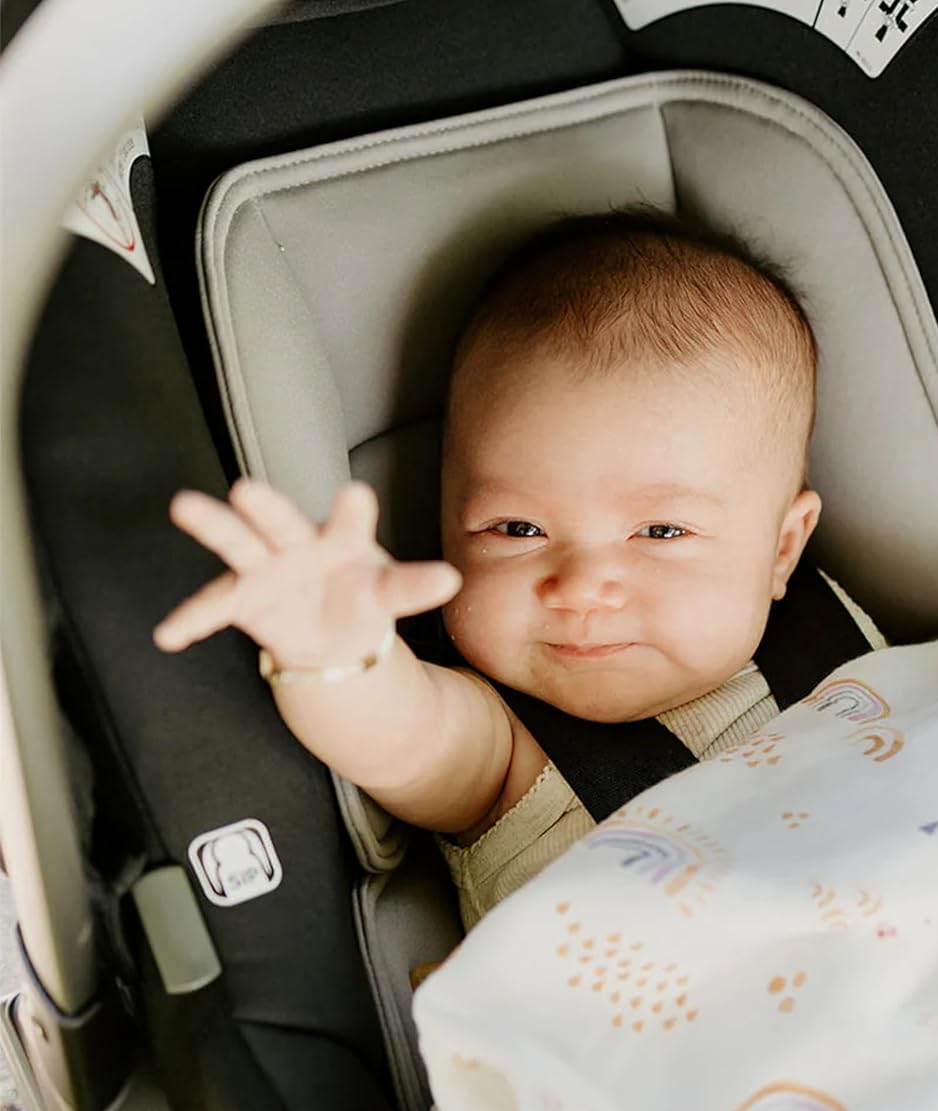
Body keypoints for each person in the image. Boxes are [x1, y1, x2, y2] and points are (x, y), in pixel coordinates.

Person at [154, 210, 883, 928]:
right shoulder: (504, 749)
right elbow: (402, 736)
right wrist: (336, 651)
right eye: (518, 528)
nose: (582, 588)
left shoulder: (850, 644)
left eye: (659, 531)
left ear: (782, 549)